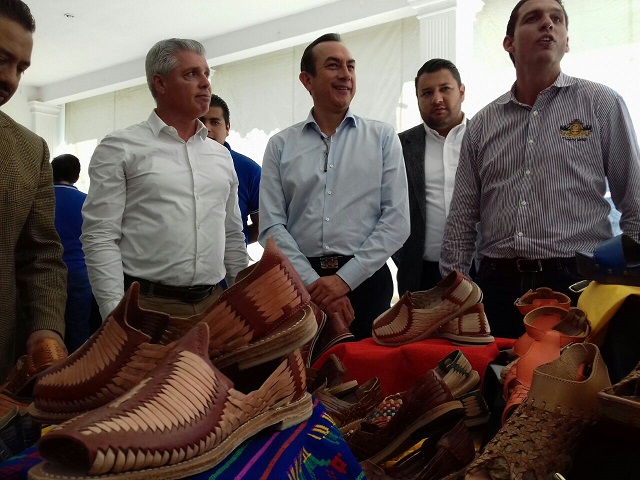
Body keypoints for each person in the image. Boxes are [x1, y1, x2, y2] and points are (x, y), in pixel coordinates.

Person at [440, 0, 640, 338]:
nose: (547, 24)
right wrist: (456, 293)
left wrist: (628, 284)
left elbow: (635, 204)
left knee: (575, 372)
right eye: (533, 18)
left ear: (566, 42)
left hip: (578, 285)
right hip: (497, 287)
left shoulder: (602, 104)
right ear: (509, 43)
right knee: (497, 371)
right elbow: (461, 219)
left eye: (556, 19)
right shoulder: (482, 125)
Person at [81, 38, 248, 320]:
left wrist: (243, 301)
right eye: (191, 74)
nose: (205, 83)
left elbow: (232, 234)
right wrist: (115, 314)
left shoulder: (220, 155)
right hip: (147, 307)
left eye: (206, 73)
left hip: (215, 305)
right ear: (160, 83)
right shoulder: (121, 147)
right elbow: (100, 235)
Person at [259, 33, 410, 341]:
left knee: (366, 368)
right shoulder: (280, 145)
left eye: (350, 66)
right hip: (298, 284)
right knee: (305, 369)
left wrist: (343, 280)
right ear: (307, 80)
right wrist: (313, 283)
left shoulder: (382, 138)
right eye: (333, 66)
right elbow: (271, 226)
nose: (345, 74)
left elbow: (397, 221)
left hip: (367, 282)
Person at [0, 0, 67, 382]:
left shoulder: (29, 150)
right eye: (1, 60)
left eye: (21, 68)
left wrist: (47, 328)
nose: (10, 79)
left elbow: (41, 255)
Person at [393, 59, 466, 295]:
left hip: (478, 272)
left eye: (445, 89)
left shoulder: (484, 139)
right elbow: (384, 209)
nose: (437, 99)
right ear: (417, 99)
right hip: (420, 275)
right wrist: (406, 258)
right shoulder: (399, 146)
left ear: (461, 92)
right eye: (426, 93)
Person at [51, 154, 101, 352]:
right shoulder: (87, 202)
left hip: (47, 272)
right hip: (80, 272)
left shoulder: (41, 200)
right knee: (78, 327)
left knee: (46, 325)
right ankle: (76, 366)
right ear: (77, 175)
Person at [200, 94, 261, 244]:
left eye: (215, 122)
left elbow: (263, 226)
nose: (206, 128)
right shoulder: (175, 165)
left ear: (227, 128)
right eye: (200, 122)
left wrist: (234, 243)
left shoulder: (249, 170)